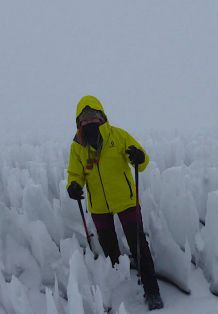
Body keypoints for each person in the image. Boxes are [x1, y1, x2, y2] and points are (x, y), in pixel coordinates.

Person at [66, 95, 163, 310]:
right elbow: (76, 173)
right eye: (85, 118)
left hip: (125, 200)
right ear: (78, 122)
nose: (90, 121)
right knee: (109, 248)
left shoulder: (118, 136)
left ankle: (152, 290)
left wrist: (139, 157)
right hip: (99, 206)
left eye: (94, 116)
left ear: (102, 116)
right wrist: (73, 185)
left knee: (138, 245)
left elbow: (143, 161)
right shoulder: (78, 147)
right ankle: (119, 291)